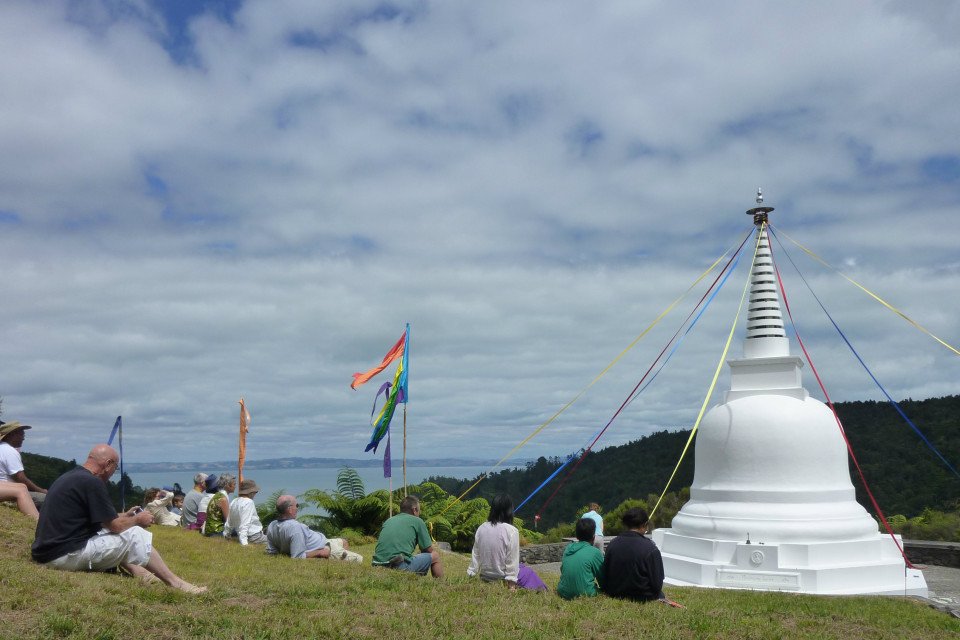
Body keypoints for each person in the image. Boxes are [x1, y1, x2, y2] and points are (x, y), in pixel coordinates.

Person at [31, 444, 207, 594]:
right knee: (134, 534)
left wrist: (125, 516)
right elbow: (115, 526)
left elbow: (101, 520)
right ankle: (177, 583)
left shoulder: (72, 477)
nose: (112, 474)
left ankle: (142, 573)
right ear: (108, 464)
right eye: (114, 469)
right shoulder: (92, 483)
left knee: (115, 536)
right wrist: (138, 520)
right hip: (63, 556)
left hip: (47, 552)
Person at [467, 494, 546, 591]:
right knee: (528, 572)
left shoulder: (482, 528)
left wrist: (471, 574)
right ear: (509, 511)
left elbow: (475, 554)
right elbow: (511, 560)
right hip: (502, 577)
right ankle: (543, 590)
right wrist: (511, 585)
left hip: (485, 576)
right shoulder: (511, 531)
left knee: (521, 567)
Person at [265, 495, 362, 562]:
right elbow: (298, 557)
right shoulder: (294, 527)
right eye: (296, 505)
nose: (297, 508)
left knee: (344, 541)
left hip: (324, 541)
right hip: (324, 548)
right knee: (359, 559)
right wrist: (320, 553)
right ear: (290, 509)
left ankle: (341, 561)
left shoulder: (272, 525)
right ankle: (340, 561)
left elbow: (272, 552)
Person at [601, 507, 666, 603]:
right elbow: (657, 584)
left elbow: (605, 574)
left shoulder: (612, 544)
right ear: (645, 525)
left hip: (614, 593)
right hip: (643, 596)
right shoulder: (651, 548)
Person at [372, 495, 443, 577]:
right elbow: (429, 550)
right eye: (419, 510)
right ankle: (440, 584)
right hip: (397, 565)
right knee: (435, 556)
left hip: (377, 565)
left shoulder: (389, 520)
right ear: (415, 510)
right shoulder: (418, 521)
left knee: (416, 557)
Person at [0, 420, 47, 509]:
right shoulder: (9, 451)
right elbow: (20, 478)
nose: (23, 438)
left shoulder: (2, 448)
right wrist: (42, 491)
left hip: (4, 490)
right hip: (10, 493)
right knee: (47, 499)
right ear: (12, 435)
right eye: (21, 435)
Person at [557, 518, 605, 599]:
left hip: (562, 591)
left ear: (576, 535)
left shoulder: (568, 548)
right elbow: (603, 579)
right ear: (594, 537)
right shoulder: (595, 552)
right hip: (585, 593)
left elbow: (563, 570)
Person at [224, 479, 267, 545]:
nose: (255, 494)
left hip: (244, 535)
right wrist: (244, 543)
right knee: (275, 540)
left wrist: (227, 534)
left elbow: (229, 521)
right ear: (251, 492)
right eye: (255, 492)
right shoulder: (249, 502)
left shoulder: (234, 501)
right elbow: (245, 524)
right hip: (253, 536)